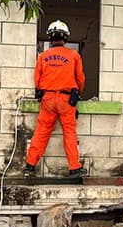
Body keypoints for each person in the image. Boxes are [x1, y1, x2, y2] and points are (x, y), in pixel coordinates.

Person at [24, 20, 86, 177]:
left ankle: (30, 166)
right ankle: (74, 168)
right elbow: (80, 79)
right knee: (69, 133)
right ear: (65, 38)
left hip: (48, 99)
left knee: (41, 132)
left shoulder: (43, 56)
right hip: (67, 100)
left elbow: (37, 80)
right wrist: (78, 93)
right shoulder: (73, 55)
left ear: (50, 39)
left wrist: (42, 91)